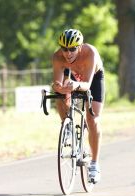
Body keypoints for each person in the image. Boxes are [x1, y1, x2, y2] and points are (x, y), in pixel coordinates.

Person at [52, 28, 105, 183]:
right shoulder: (57, 57)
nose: (68, 53)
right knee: (59, 95)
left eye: (73, 49)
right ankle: (67, 127)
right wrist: (59, 87)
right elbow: (57, 82)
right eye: (64, 49)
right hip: (73, 76)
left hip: (93, 78)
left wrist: (75, 85)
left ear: (80, 47)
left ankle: (94, 164)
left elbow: (87, 84)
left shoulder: (90, 53)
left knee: (92, 119)